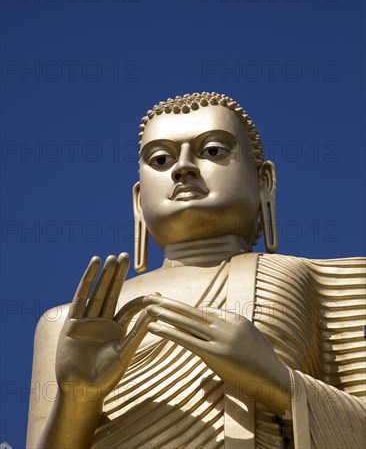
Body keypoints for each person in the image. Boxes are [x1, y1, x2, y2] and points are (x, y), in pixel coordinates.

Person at [27, 92, 365, 448]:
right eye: (160, 159)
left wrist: (276, 381)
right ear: (138, 201)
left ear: (264, 181)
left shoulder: (312, 281)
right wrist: (78, 398)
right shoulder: (70, 324)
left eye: (214, 150)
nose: (183, 168)